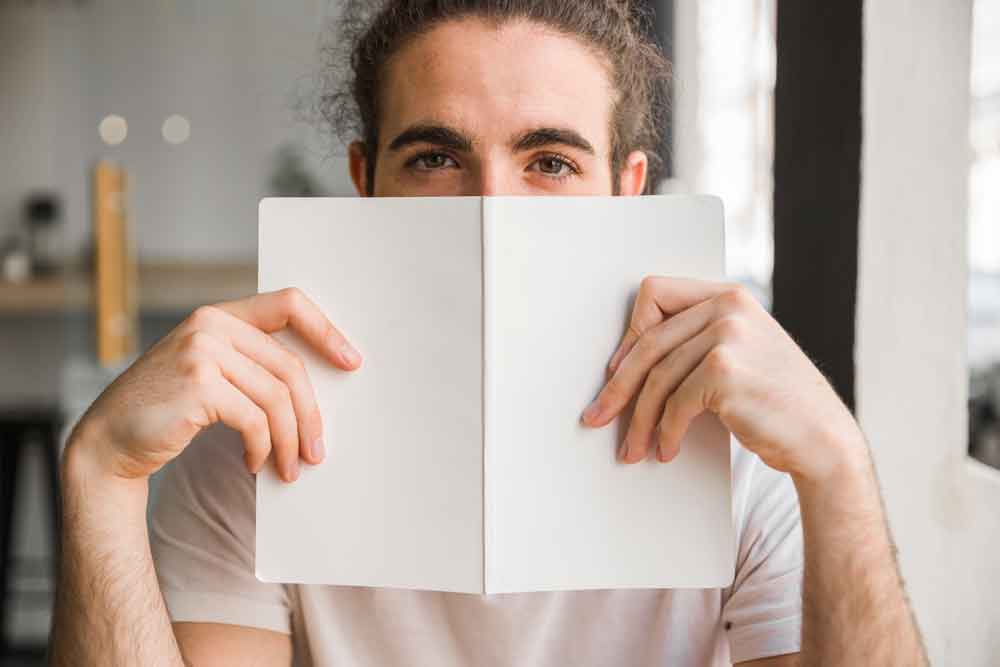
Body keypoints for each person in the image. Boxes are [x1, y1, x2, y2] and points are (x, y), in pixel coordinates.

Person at [49, 1, 928, 665]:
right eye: (436, 158)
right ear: (368, 180)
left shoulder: (736, 450)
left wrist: (838, 465)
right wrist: (99, 474)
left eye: (550, 161)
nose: (492, 210)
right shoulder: (259, 433)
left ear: (626, 191)